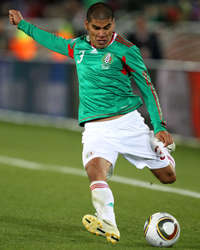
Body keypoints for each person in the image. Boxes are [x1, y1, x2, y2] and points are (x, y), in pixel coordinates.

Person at [9, 2, 176, 244]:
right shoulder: (78, 47)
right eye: (96, 28)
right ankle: (109, 223)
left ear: (113, 25)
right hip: (96, 127)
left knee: (167, 177)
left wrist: (159, 126)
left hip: (128, 123)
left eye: (106, 27)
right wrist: (23, 25)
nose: (101, 33)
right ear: (87, 25)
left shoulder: (126, 50)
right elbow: (52, 41)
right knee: (95, 171)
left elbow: (147, 89)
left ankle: (162, 151)